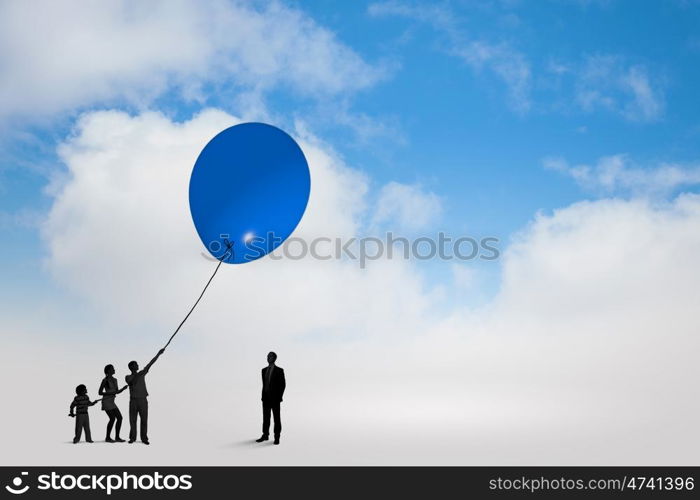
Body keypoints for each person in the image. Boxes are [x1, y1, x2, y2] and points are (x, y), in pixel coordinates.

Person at [125, 348, 165, 445]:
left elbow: (151, 363)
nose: (138, 365)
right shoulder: (128, 377)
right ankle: (132, 438)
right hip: (133, 401)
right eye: (136, 364)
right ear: (132, 367)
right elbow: (132, 382)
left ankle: (144, 438)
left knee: (144, 419)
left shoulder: (141, 374)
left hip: (143, 399)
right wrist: (141, 373)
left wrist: (158, 354)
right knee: (132, 420)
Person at [256, 351, 286, 445]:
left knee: (276, 419)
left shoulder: (279, 370)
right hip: (265, 398)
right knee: (266, 418)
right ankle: (265, 435)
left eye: (271, 356)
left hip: (275, 399)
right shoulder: (263, 370)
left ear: (274, 358)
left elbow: (283, 385)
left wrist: (279, 397)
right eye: (268, 356)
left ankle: (277, 437)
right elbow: (264, 384)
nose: (268, 358)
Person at [98, 364, 128, 442]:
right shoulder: (105, 380)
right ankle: (107, 437)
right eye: (112, 368)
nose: (114, 369)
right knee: (112, 418)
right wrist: (110, 393)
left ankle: (117, 437)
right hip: (106, 401)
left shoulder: (115, 380)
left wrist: (123, 389)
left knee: (119, 418)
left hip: (112, 402)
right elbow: (100, 392)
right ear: (108, 370)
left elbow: (116, 392)